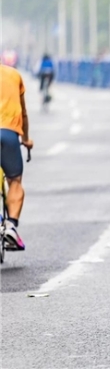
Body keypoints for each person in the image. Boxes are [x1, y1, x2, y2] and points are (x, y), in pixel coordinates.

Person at [0, 63, 34, 251]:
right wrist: (26, 140)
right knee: (15, 181)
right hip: (8, 134)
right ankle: (11, 225)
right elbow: (23, 113)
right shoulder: (13, 75)